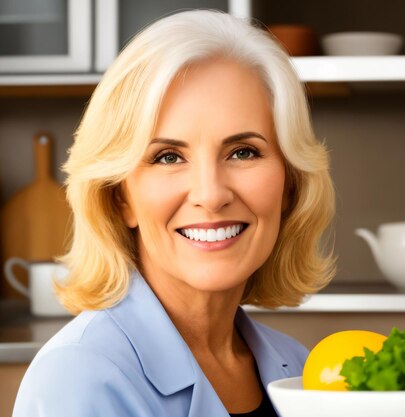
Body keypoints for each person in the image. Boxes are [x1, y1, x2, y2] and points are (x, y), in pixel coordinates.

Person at [12, 9, 335, 417]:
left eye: (243, 152)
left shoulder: (301, 368)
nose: (210, 194)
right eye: (168, 157)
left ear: (290, 183)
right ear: (119, 197)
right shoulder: (78, 378)